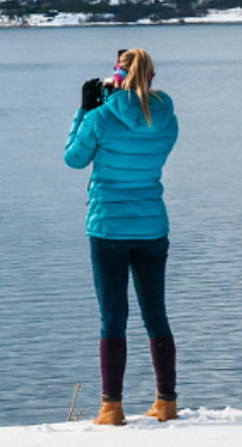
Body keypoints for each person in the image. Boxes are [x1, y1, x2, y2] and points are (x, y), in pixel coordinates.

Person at [65, 47, 178, 425]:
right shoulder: (167, 120)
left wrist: (85, 110)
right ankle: (166, 402)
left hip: (109, 228)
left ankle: (111, 408)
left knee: (113, 317)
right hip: (151, 227)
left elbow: (74, 159)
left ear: (117, 77)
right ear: (151, 78)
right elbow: (150, 152)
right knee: (156, 315)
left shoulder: (99, 117)